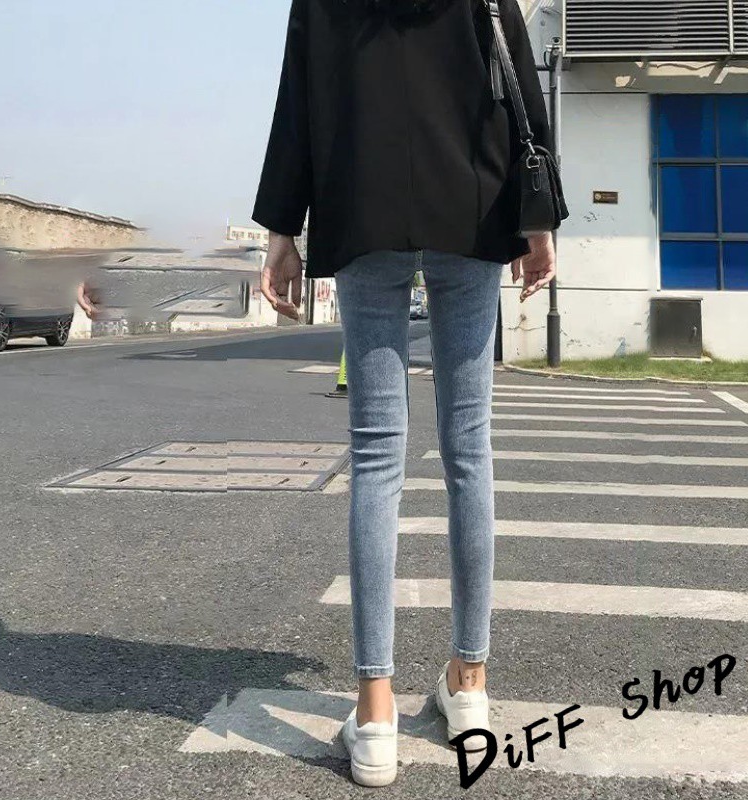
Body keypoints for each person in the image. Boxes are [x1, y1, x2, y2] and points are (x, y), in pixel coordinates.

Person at [253, 0, 558, 788]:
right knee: (469, 452)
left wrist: (281, 230)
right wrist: (538, 220)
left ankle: (376, 709)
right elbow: (519, 86)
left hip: (362, 213)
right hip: (473, 208)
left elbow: (298, 102)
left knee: (377, 457)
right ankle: (470, 685)